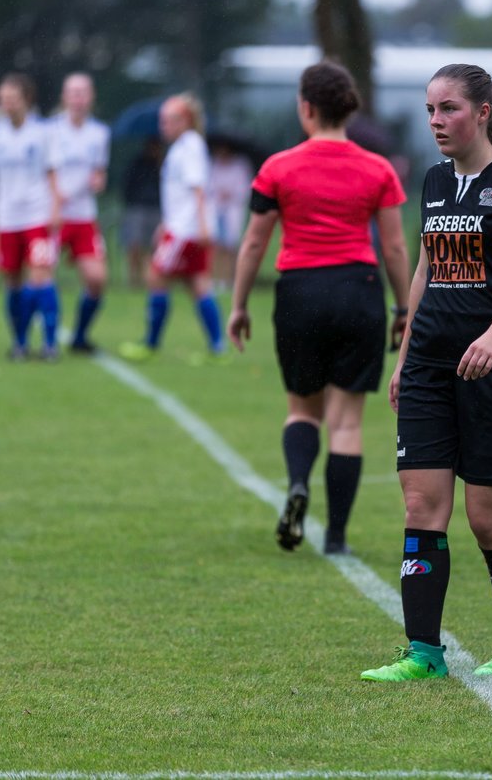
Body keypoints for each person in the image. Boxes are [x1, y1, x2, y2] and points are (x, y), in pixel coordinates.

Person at [360, 63, 492, 683]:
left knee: (485, 517)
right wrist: (404, 354)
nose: (436, 122)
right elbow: (425, 269)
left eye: (447, 109)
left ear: (483, 111)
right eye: (430, 111)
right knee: (421, 504)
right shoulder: (436, 180)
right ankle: (422, 652)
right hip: (427, 367)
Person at [228, 62, 412, 556]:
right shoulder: (378, 169)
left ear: (306, 108)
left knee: (301, 410)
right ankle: (336, 536)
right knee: (347, 422)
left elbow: (252, 244)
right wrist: (403, 308)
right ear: (347, 109)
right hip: (360, 290)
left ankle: (297, 485)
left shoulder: (278, 167)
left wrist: (239, 304)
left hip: (300, 293)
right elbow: (394, 249)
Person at [119, 94, 224, 363]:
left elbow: (198, 190)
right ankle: (218, 346)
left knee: (156, 278)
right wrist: (166, 222)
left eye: (171, 120)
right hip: (180, 225)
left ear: (186, 120)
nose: (164, 125)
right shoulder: (183, 146)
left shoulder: (189, 147)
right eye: (162, 120)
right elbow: (180, 194)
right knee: (198, 284)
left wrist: (201, 226)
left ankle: (151, 343)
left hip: (185, 229)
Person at [0, 73, 61, 361]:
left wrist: (55, 209)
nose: (6, 104)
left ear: (26, 99)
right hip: (6, 218)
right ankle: (20, 342)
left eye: (12, 99)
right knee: (12, 281)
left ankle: (50, 344)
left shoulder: (43, 132)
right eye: (2, 99)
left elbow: (52, 174)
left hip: (37, 214)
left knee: (40, 277)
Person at [47, 73, 110, 353]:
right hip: (54, 215)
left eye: (83, 92)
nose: (78, 98)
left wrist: (98, 180)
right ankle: (49, 335)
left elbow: (99, 171)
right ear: (64, 97)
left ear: (91, 96)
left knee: (97, 279)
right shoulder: (50, 131)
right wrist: (54, 203)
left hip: (84, 216)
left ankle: (80, 336)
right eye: (73, 92)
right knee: (43, 277)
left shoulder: (99, 133)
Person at [207, 139, 253, 291]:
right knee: (216, 246)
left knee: (231, 246)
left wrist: (231, 193)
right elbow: (209, 186)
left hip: (233, 210)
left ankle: (230, 279)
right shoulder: (213, 165)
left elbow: (244, 188)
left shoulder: (240, 166)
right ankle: (215, 279)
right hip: (216, 208)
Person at [121, 137, 164, 288]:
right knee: (134, 244)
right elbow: (127, 185)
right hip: (137, 207)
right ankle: (134, 278)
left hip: (156, 208)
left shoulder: (164, 165)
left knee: (154, 247)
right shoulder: (137, 164)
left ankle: (150, 279)